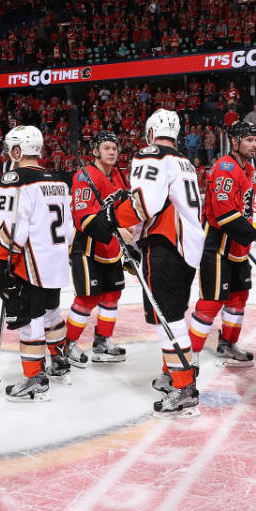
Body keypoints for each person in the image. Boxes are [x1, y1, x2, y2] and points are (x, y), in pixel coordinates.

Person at [94, 109, 204, 416]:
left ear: (151, 133)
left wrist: (112, 216)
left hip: (166, 244)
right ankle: (174, 374)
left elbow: (146, 202)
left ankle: (184, 387)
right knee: (175, 315)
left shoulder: (152, 154)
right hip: (186, 247)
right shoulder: (183, 161)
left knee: (167, 319)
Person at [0, 125, 74, 400]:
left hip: (31, 263)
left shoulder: (14, 178)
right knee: (52, 313)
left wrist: (1, 262)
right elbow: (70, 229)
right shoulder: (60, 180)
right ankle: (60, 362)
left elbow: (14, 227)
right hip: (57, 260)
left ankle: (33, 379)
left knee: (30, 321)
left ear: (17, 150)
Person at [189, 121, 256, 367]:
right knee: (211, 302)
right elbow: (224, 214)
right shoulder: (224, 168)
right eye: (248, 140)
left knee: (238, 297)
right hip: (217, 247)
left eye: (255, 140)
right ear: (234, 142)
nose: (254, 144)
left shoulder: (250, 169)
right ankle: (189, 355)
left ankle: (227, 344)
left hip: (237, 248)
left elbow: (244, 211)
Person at [66, 131, 129, 367]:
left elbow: (124, 208)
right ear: (95, 151)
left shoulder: (118, 175)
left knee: (113, 295)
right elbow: (83, 218)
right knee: (87, 298)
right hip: (88, 248)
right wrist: (115, 230)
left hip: (112, 249)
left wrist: (130, 235)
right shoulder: (84, 176)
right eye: (106, 148)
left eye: (114, 148)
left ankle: (102, 342)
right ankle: (68, 344)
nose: (112, 152)